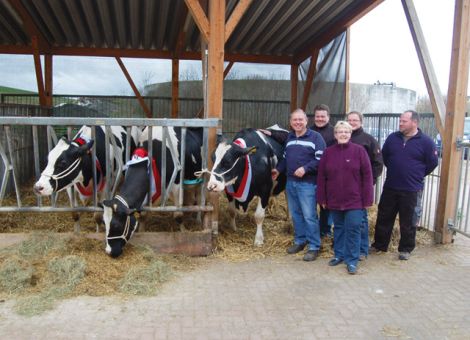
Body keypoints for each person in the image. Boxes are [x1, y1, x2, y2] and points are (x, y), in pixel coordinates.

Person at [371, 110, 438, 260]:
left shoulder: (426, 142)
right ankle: (380, 245)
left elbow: (432, 163)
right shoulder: (392, 138)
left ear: (415, 122)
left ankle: (406, 249)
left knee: (408, 220)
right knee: (384, 216)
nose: (400, 123)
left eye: (404, 121)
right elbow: (386, 157)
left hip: (411, 189)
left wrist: (416, 174)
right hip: (391, 185)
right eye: (400, 121)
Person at [317, 121, 373, 274]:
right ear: (335, 135)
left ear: (350, 134)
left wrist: (368, 200)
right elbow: (321, 177)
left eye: (346, 132)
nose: (343, 134)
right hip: (334, 200)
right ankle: (339, 255)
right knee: (339, 228)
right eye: (340, 132)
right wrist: (322, 198)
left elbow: (367, 176)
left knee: (353, 228)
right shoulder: (328, 152)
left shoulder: (359, 151)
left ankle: (352, 260)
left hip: (355, 200)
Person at [272, 108, 326, 261]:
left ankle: (314, 246)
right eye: (294, 120)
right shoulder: (289, 138)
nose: (297, 122)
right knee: (296, 215)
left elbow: (321, 159)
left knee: (309, 216)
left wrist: (305, 168)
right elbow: (284, 159)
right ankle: (300, 241)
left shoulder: (316, 137)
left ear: (306, 121)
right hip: (291, 183)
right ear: (290, 122)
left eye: (300, 119)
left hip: (307, 184)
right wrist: (278, 170)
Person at [346, 111, 384, 260]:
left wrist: (369, 183)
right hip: (344, 187)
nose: (352, 122)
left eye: (355, 120)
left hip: (360, 187)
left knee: (361, 219)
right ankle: (347, 247)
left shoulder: (368, 140)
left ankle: (362, 249)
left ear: (361, 122)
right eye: (349, 120)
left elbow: (378, 163)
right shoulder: (342, 137)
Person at [311, 104, 336, 238]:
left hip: (329, 176)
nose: (320, 119)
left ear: (328, 117)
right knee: (310, 205)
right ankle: (313, 231)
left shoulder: (334, 132)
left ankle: (325, 230)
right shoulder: (308, 131)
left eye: (322, 116)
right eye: (317, 116)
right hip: (311, 175)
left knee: (326, 205)